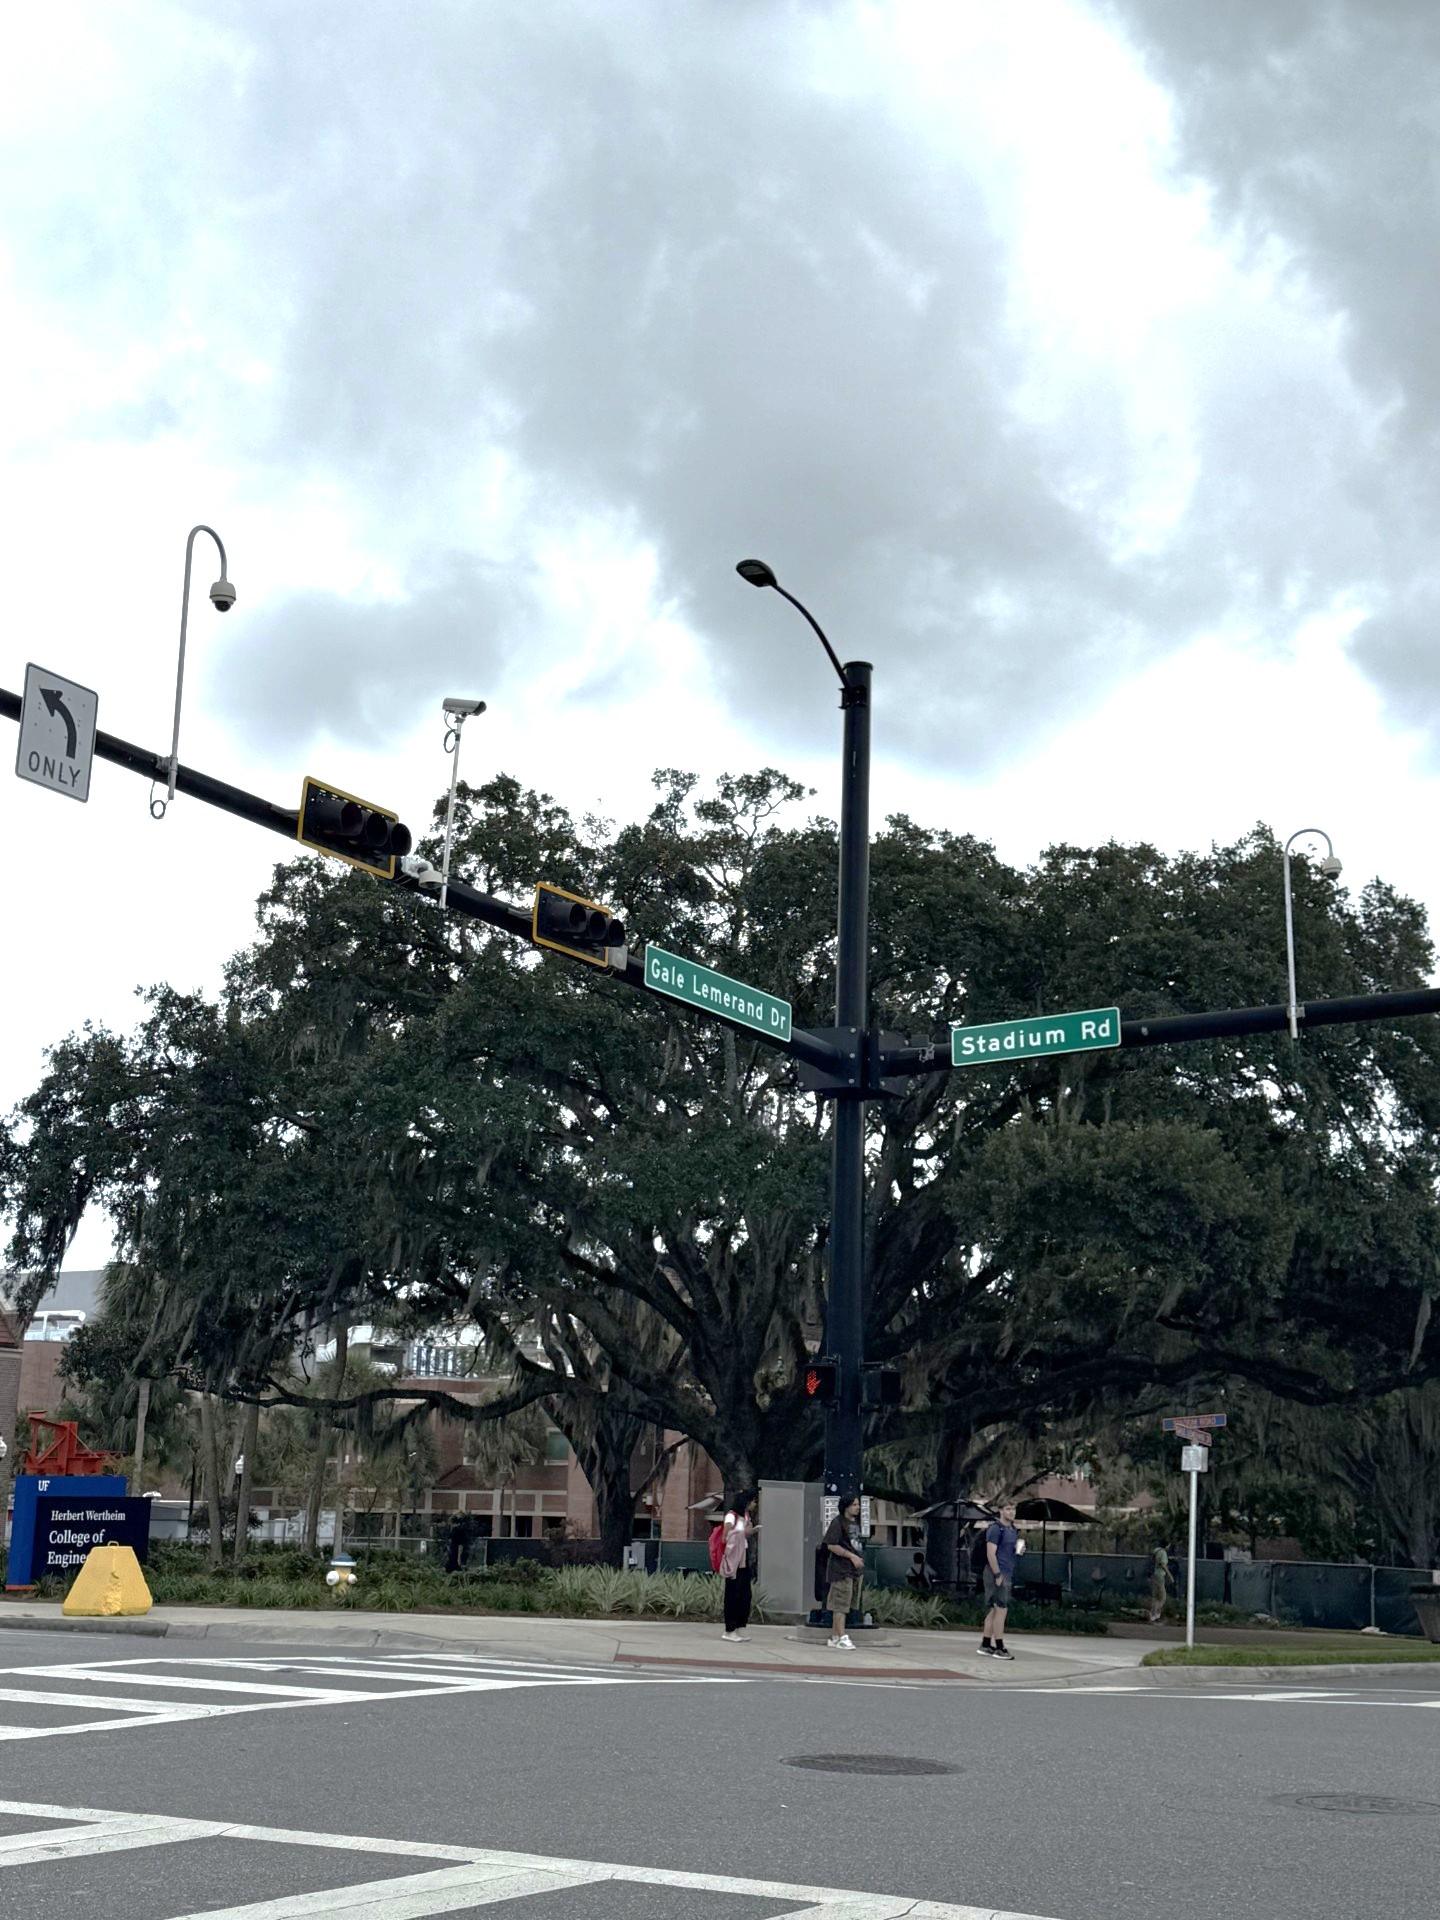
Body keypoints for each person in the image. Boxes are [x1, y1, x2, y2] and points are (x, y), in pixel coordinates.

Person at [822, 1494, 866, 1650]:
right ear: (846, 1506)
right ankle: (841, 1636)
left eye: (858, 1504)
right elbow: (831, 1545)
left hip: (855, 1571)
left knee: (847, 1604)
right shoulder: (838, 1522)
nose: (858, 1507)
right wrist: (851, 1556)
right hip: (841, 1570)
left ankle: (835, 1636)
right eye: (854, 1504)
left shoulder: (856, 1523)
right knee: (840, 1605)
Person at [980, 1500, 1020, 1659]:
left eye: (1013, 1509)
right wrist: (997, 1574)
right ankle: (1000, 1647)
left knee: (995, 1610)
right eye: (1008, 1509)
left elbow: (1008, 1551)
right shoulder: (996, 1529)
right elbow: (991, 1553)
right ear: (1001, 1511)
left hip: (1006, 1571)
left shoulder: (1013, 1529)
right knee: (1001, 1609)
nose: (1012, 1512)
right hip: (997, 1572)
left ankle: (985, 1643)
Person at [719, 1489, 758, 1642]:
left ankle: (740, 1625)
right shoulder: (731, 1516)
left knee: (745, 1594)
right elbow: (726, 1536)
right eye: (753, 1501)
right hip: (733, 1560)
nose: (755, 1504)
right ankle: (729, 1629)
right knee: (732, 1594)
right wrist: (743, 1532)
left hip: (743, 1558)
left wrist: (750, 1532)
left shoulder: (746, 1516)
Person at [1148, 1542, 1173, 1623]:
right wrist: (1170, 1575)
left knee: (1155, 1596)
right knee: (1162, 1597)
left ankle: (1152, 1615)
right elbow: (1163, 1564)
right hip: (1160, 1575)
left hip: (1154, 1575)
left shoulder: (1156, 1551)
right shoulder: (1163, 1553)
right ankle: (1156, 1614)